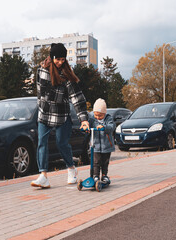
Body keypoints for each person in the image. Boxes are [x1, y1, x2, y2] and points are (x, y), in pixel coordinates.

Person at [31, 43, 89, 188]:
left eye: (63, 59)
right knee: (42, 144)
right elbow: (39, 93)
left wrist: (83, 119)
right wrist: (41, 107)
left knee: (61, 143)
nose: (60, 62)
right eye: (58, 59)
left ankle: (71, 169)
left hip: (62, 114)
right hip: (44, 114)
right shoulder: (41, 71)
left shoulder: (66, 74)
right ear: (52, 57)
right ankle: (43, 176)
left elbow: (77, 97)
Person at [88, 98, 115, 184]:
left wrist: (104, 127)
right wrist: (86, 128)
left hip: (106, 145)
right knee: (96, 162)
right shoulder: (92, 119)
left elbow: (111, 127)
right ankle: (95, 176)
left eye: (100, 115)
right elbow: (88, 125)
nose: (98, 117)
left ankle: (104, 175)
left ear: (104, 113)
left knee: (105, 162)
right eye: (96, 115)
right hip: (95, 145)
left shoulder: (108, 119)